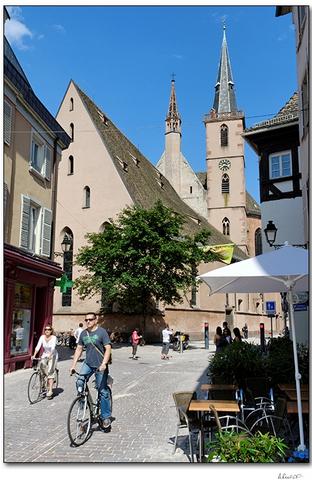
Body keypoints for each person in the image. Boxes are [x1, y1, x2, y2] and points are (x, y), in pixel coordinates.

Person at [70, 312, 112, 430]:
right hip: (88, 363)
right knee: (79, 381)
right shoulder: (84, 333)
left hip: (100, 365)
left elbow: (108, 348)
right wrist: (73, 365)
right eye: (86, 320)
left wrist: (104, 364)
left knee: (102, 390)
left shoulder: (102, 332)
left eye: (90, 319)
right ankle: (83, 406)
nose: (88, 321)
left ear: (95, 320)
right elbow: (79, 349)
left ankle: (105, 417)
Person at [32, 324, 58, 399]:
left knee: (50, 372)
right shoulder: (42, 337)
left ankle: (50, 390)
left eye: (49, 329)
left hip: (52, 355)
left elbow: (53, 347)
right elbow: (38, 346)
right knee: (41, 370)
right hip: (44, 355)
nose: (47, 331)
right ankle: (43, 387)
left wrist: (50, 355)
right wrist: (34, 355)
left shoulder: (54, 338)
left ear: (51, 331)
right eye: (45, 329)